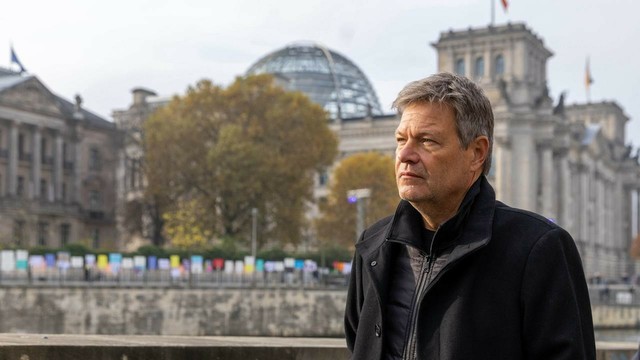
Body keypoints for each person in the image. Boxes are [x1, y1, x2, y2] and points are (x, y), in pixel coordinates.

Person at [344, 72, 596, 359]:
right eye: (401, 140)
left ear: (477, 153)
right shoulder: (374, 247)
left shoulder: (538, 250)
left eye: (427, 141)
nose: (405, 155)